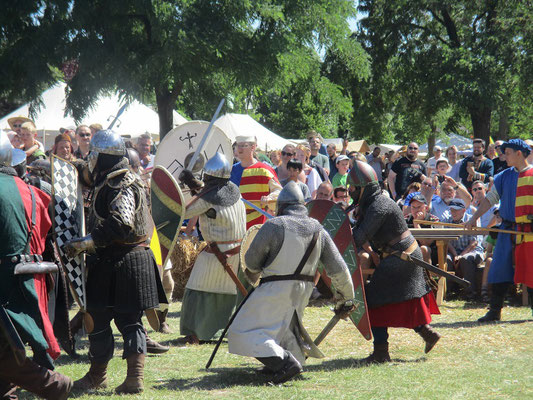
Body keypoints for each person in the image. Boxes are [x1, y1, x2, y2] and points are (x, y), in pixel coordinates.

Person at [65, 129, 166, 394]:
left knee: (110, 319)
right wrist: (63, 165)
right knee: (117, 320)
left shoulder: (119, 182)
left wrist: (85, 243)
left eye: (93, 155)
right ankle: (117, 377)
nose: (90, 160)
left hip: (120, 260)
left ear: (102, 156)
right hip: (126, 259)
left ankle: (121, 377)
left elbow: (121, 223)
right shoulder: (114, 176)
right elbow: (86, 173)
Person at [227, 181, 355, 384]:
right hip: (303, 289)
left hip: (275, 287)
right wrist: (347, 296)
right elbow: (338, 268)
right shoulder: (318, 229)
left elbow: (252, 262)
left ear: (282, 206)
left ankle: (285, 363)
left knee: (241, 331)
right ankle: (280, 362)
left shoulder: (275, 225)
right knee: (285, 329)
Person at [0, 133, 73, 399]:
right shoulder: (33, 190)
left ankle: (54, 385)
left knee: (4, 352)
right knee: (5, 346)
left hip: (4, 282)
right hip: (33, 280)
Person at [348, 160, 441, 363]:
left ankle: (381, 352)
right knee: (401, 299)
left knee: (373, 300)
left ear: (364, 188)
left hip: (402, 255)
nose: (351, 192)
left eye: (354, 188)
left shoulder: (379, 204)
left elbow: (359, 236)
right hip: (401, 254)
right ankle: (427, 333)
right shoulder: (374, 203)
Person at [177, 153, 247, 344]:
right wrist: (193, 184)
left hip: (218, 254)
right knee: (228, 291)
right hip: (236, 253)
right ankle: (228, 329)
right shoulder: (234, 191)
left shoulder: (208, 199)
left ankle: (196, 331)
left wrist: (178, 189)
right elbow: (210, 192)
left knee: (196, 287)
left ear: (208, 176)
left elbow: (181, 210)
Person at [466, 139, 532, 321]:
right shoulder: (504, 176)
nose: (504, 156)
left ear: (519, 153)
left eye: (508, 152)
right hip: (507, 229)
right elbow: (490, 199)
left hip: (529, 233)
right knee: (499, 268)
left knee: (531, 270)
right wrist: (473, 218)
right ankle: (495, 310)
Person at [230, 135, 282, 229]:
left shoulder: (264, 169)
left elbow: (279, 191)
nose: (240, 149)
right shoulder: (232, 170)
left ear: (253, 147)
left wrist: (269, 197)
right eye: (238, 145)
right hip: (236, 222)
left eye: (244, 145)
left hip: (259, 222)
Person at [444, 199, 485, 300]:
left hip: (473, 251)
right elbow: (447, 242)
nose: (453, 213)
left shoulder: (472, 220)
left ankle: (470, 293)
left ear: (463, 210)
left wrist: (460, 255)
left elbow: (474, 243)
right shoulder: (446, 221)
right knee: (446, 259)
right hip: (455, 251)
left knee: (466, 259)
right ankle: (448, 291)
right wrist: (455, 255)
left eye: (456, 210)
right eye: (451, 210)